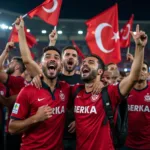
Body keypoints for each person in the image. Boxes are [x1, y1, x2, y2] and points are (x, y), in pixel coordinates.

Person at [72, 24, 147, 150]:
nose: (85, 63)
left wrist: (139, 47)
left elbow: (133, 77)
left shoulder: (110, 92)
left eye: (91, 62)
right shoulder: (75, 91)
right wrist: (38, 76)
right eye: (84, 62)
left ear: (100, 72)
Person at [0, 42, 26, 150]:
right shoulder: (18, 82)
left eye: (10, 62)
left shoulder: (17, 81)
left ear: (17, 66)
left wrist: (6, 51)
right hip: (18, 128)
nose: (8, 64)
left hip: (16, 130)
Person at [121, 61, 150, 149]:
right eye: (138, 69)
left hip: (147, 144)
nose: (140, 71)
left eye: (144, 69)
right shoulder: (124, 90)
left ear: (148, 74)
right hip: (126, 143)